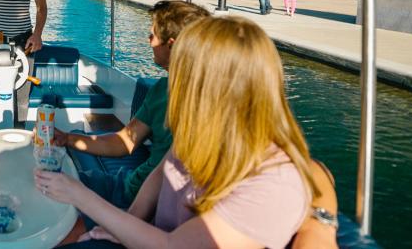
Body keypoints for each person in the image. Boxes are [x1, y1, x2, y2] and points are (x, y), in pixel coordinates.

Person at [35, 16, 321, 248]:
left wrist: (79, 195)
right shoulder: (205, 132)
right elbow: (162, 172)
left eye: (185, 72)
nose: (175, 83)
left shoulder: (273, 181)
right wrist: (125, 223)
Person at [51, 0, 210, 209]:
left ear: (171, 44)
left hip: (136, 198)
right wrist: (68, 138)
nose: (149, 41)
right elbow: (124, 142)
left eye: (152, 35)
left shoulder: (179, 94)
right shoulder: (164, 88)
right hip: (129, 184)